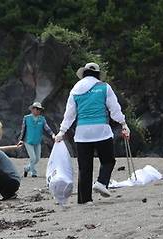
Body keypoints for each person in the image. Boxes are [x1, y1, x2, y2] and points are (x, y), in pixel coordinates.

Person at [55, 62, 130, 204]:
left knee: (84, 167)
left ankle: (84, 200)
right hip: (101, 130)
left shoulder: (75, 90)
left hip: (82, 133)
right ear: (97, 74)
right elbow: (114, 110)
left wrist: (61, 132)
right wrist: (123, 123)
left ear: (83, 74)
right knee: (108, 160)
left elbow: (69, 114)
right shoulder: (104, 87)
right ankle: (101, 182)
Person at [18, 102, 55, 178]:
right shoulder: (26, 118)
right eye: (37, 109)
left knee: (37, 159)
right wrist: (21, 139)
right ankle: (33, 173)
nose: (38, 111)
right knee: (33, 158)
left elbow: (47, 128)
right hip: (28, 141)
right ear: (32, 109)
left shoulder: (42, 119)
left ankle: (27, 168)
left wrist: (52, 134)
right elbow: (23, 129)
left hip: (37, 141)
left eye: (40, 109)